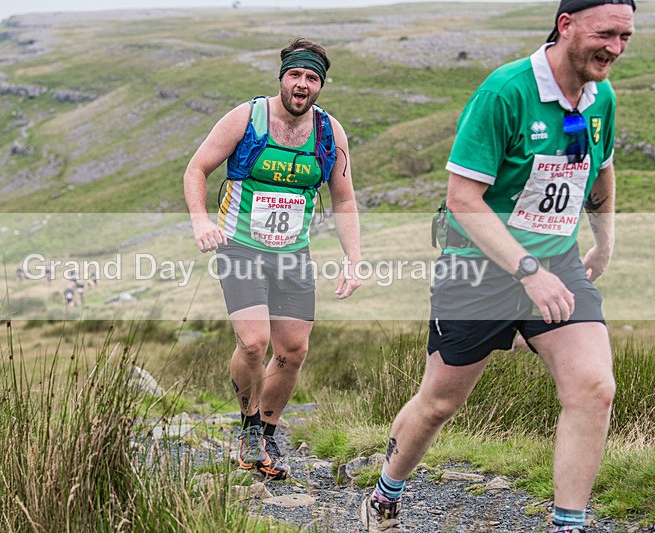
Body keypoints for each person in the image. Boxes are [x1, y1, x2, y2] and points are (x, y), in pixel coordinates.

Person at [362, 1, 635, 531]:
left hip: (557, 263)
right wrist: (527, 270)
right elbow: (463, 199)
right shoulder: (505, 92)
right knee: (439, 402)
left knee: (593, 389)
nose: (616, 49)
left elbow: (601, 168)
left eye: (626, 37)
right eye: (606, 34)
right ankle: (384, 495)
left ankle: (567, 523)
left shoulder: (601, 97)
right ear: (566, 25)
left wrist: (603, 242)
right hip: (480, 268)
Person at [183, 37, 361, 480]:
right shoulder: (247, 117)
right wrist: (202, 222)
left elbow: (343, 199)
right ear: (282, 77)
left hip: (292, 253)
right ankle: (247, 429)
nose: (302, 85)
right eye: (296, 75)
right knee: (253, 342)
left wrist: (353, 258)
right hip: (240, 246)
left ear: (321, 85)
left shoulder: (328, 132)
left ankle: (266, 431)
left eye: (312, 78)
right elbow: (196, 169)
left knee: (293, 351)